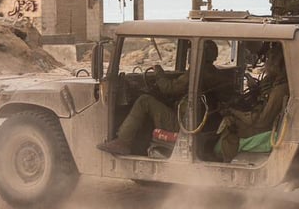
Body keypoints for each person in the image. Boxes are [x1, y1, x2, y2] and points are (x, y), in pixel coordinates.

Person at [98, 42, 233, 156]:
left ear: (199, 54)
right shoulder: (214, 72)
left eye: (191, 51)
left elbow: (169, 88)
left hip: (186, 124)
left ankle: (123, 142)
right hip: (201, 121)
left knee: (144, 101)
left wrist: (159, 73)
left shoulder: (198, 72)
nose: (189, 55)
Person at [214, 44, 289, 162]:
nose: (266, 63)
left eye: (269, 59)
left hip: (264, 127)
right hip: (262, 121)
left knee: (230, 124)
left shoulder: (280, 90)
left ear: (277, 65)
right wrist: (256, 88)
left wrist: (234, 112)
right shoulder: (277, 83)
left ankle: (225, 163)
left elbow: (261, 121)